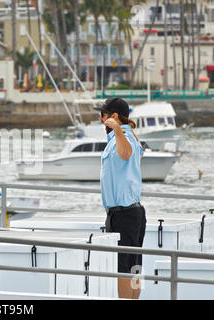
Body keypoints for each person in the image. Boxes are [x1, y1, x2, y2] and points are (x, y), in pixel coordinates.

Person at [95, 97, 147, 299]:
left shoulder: (122, 137)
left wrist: (117, 129)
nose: (101, 119)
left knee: (124, 270)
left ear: (114, 117)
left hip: (124, 214)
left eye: (104, 115)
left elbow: (125, 154)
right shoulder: (129, 136)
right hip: (131, 213)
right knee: (133, 267)